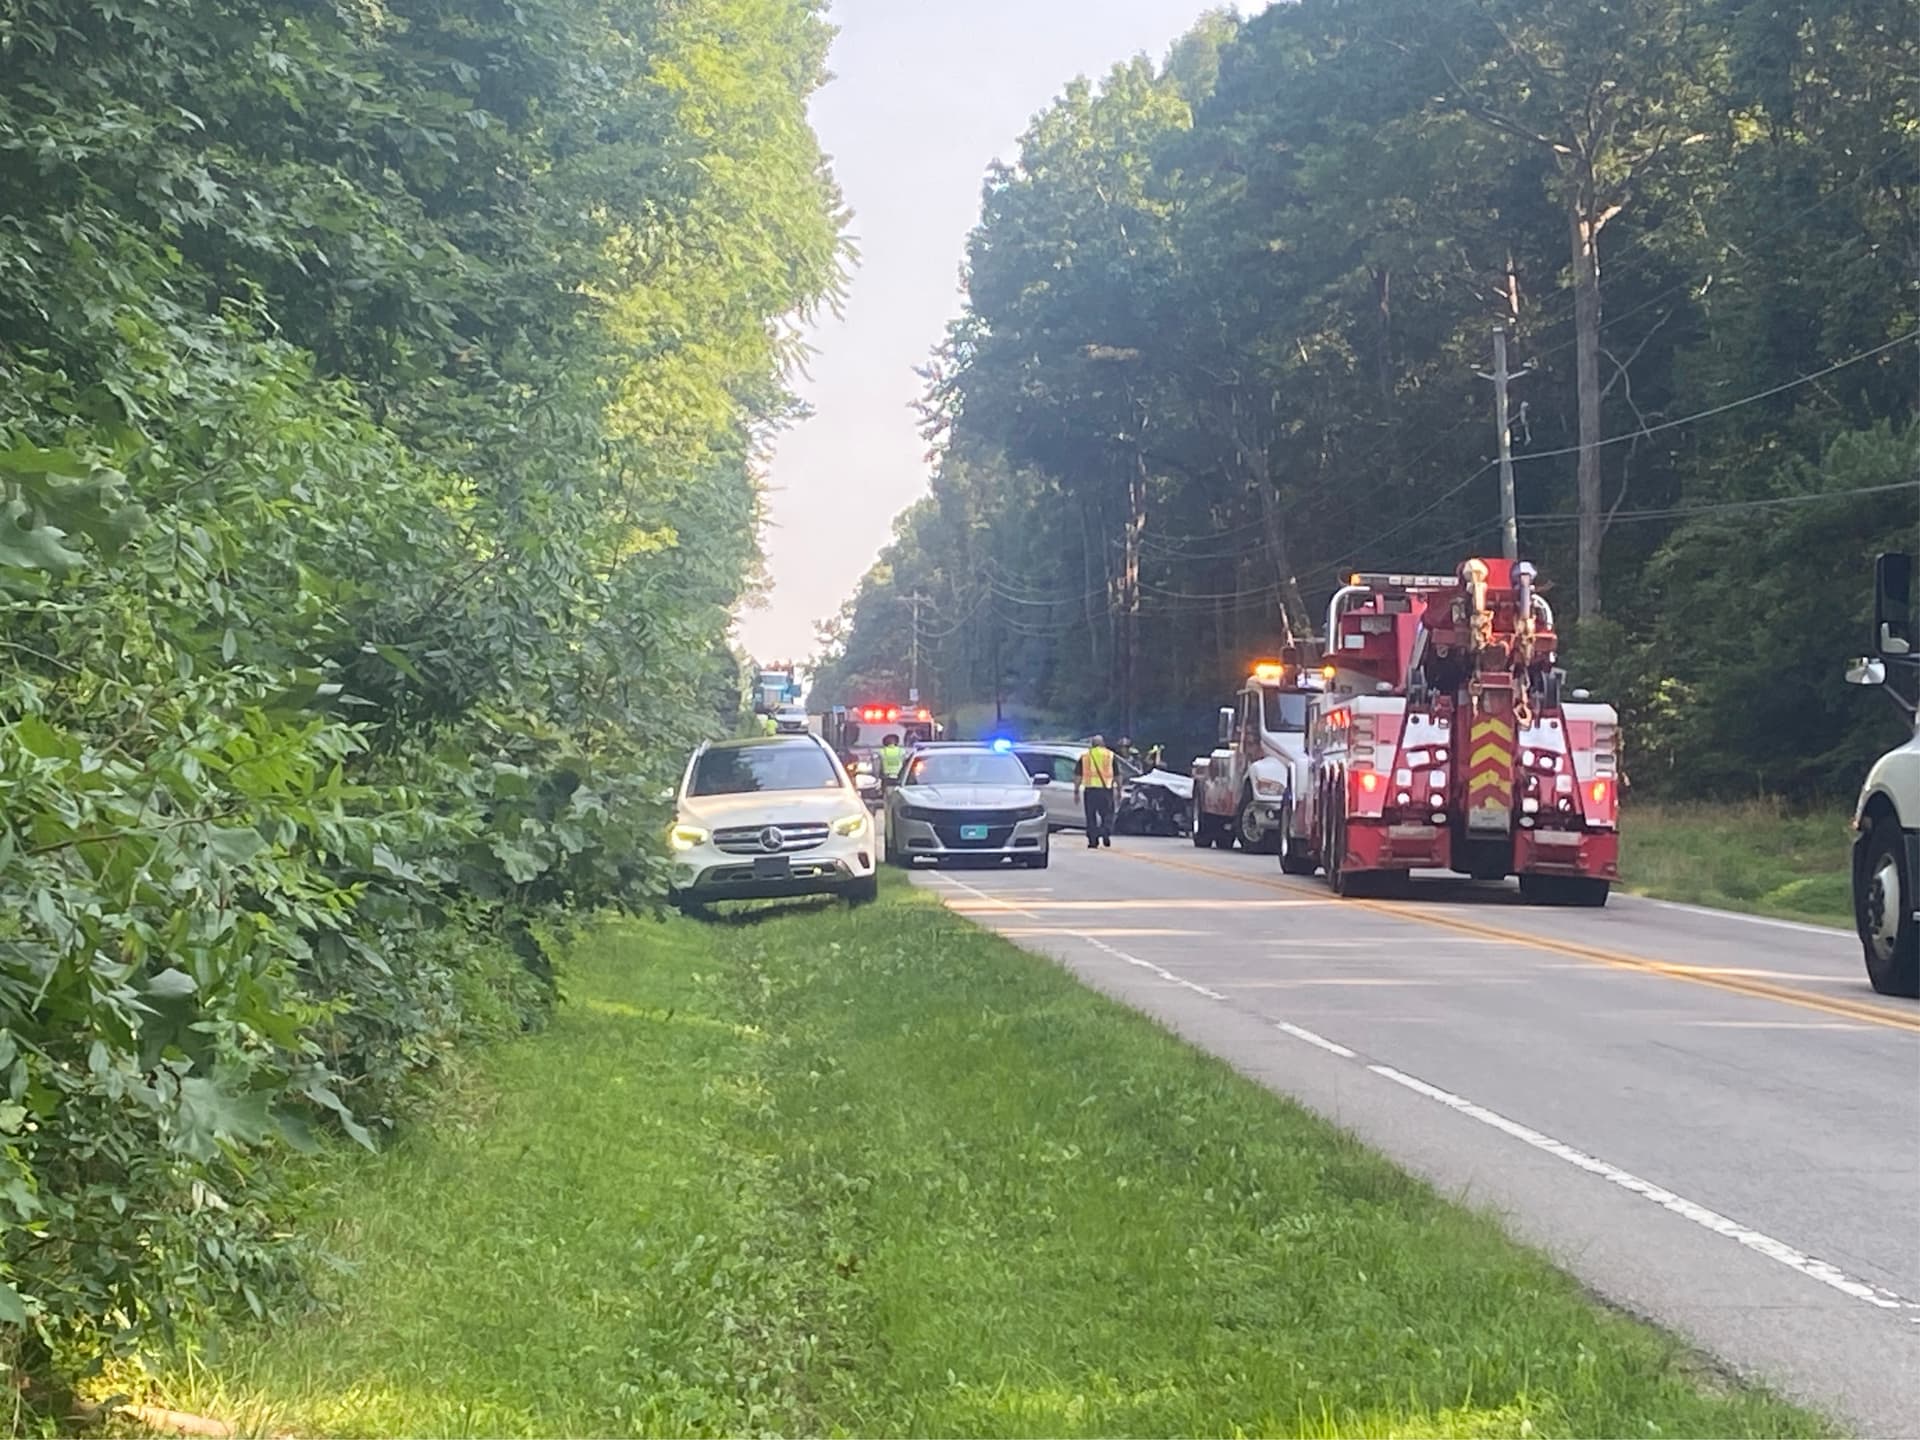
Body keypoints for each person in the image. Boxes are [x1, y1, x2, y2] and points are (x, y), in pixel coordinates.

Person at [1076, 734, 1118, 849]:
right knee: (1108, 814)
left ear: (1092, 744)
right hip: (1106, 790)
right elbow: (1117, 774)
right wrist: (1118, 789)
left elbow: (1078, 775)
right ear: (1103, 744)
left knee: (1091, 816)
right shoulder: (1110, 755)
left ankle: (1093, 841)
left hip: (1090, 791)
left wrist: (1076, 791)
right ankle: (1105, 831)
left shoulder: (1085, 756)